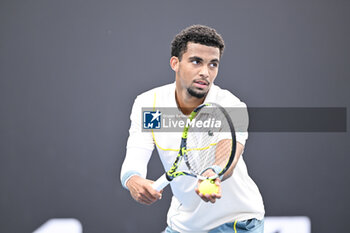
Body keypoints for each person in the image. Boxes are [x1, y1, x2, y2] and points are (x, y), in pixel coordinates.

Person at [120, 25, 265, 233]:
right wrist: (133, 180)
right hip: (183, 225)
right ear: (175, 63)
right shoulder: (149, 106)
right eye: (196, 61)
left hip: (234, 223)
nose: (205, 72)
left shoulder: (232, 107)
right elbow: (135, 154)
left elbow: (229, 155)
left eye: (213, 64)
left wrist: (212, 173)